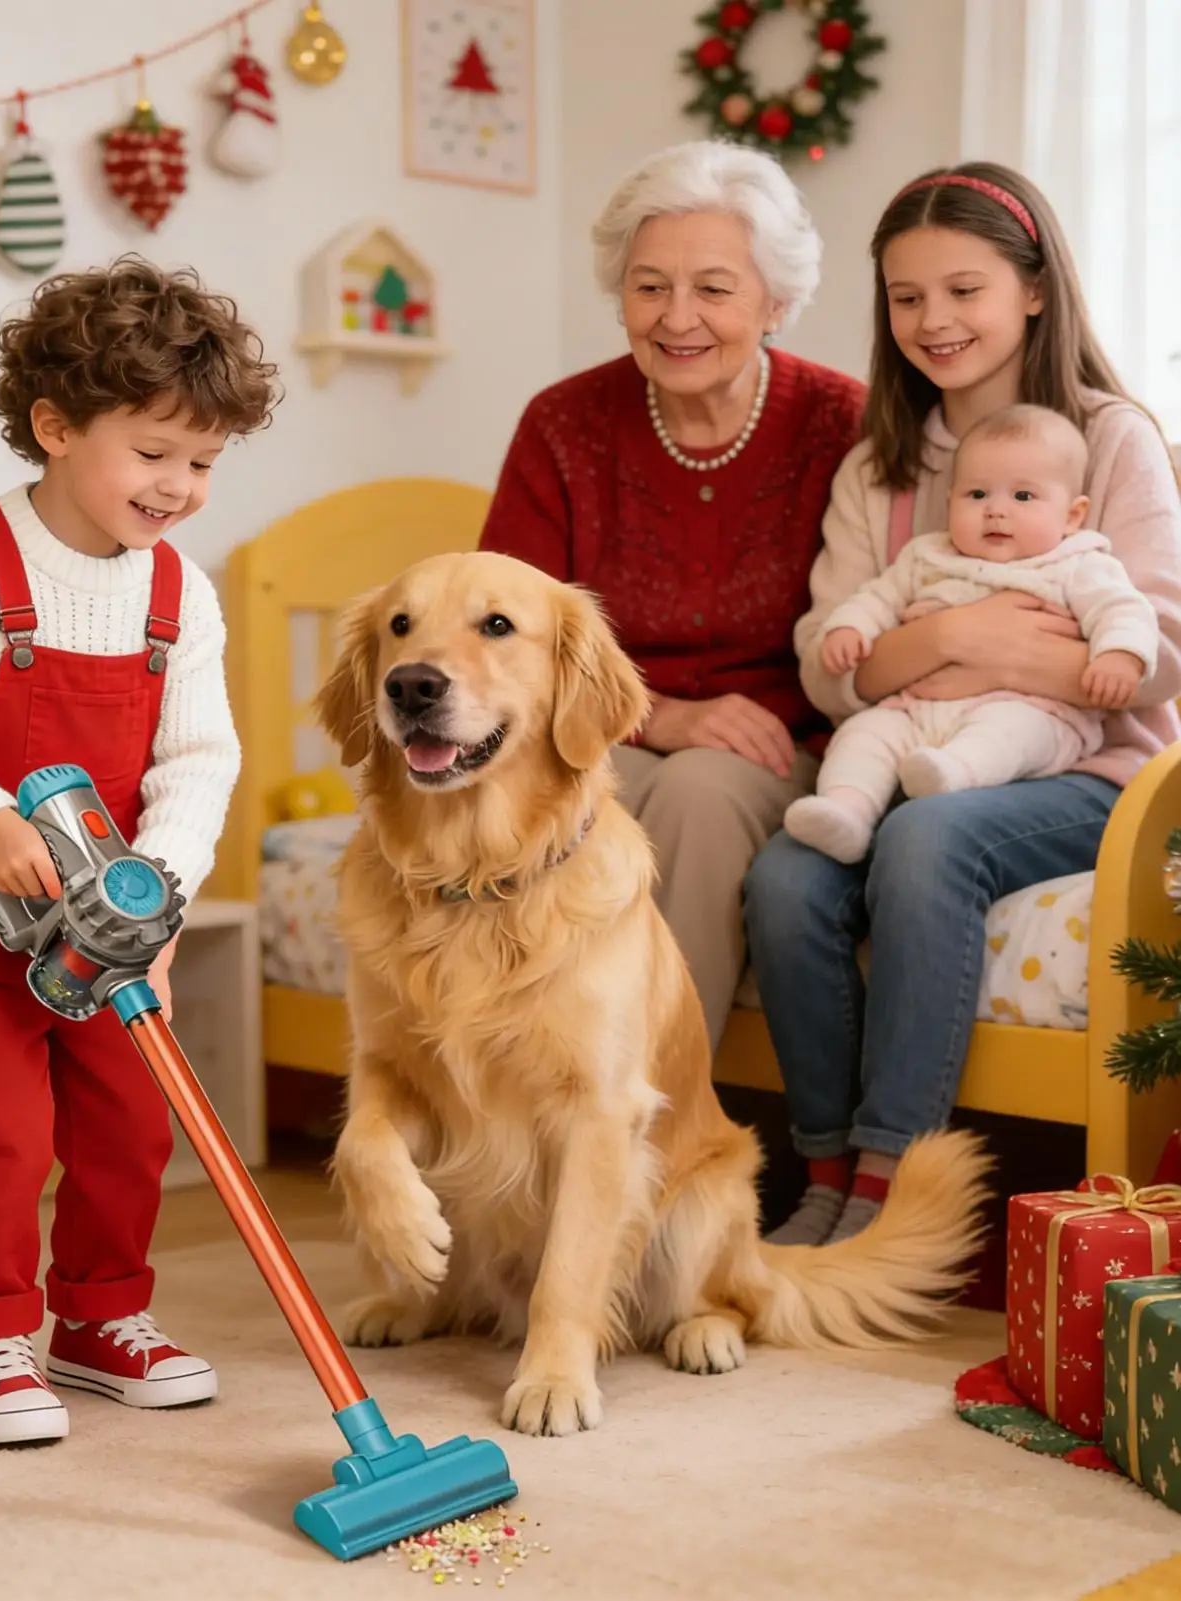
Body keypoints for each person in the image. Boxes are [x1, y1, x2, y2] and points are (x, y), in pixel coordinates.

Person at [0, 256, 278, 1446]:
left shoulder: (180, 591)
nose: (178, 486)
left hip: (117, 916)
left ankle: (97, 1319)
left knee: (130, 1123)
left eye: (201, 462)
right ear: (54, 424)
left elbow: (199, 756)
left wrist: (167, 889)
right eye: (152, 453)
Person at [744, 164, 1181, 1247]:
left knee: (929, 841)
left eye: (962, 289)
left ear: (1031, 290)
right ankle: (823, 1168)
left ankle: (896, 1181)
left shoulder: (1109, 436)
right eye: (904, 296)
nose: (931, 320)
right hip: (912, 757)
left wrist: (976, 659)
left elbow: (1159, 652)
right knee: (787, 876)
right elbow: (823, 663)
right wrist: (943, 640)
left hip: (1088, 774)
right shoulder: (878, 468)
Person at [478, 139, 865, 1052]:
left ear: (775, 301)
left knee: (692, 795)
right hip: (601, 732)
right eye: (649, 286)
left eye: (714, 288)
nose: (676, 317)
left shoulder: (843, 421)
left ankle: (651, 1120)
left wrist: (695, 735)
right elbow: (500, 643)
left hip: (785, 744)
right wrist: (665, 717)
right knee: (541, 805)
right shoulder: (563, 422)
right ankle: (508, 1117)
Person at [785, 403, 1159, 863]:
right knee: (866, 733)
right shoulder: (929, 556)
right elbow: (876, 597)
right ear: (951, 503)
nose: (996, 511)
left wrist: (1121, 656)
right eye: (977, 495)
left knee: (1009, 731)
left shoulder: (1077, 564)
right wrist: (849, 627)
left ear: (1072, 516)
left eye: (1023, 498)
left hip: (1032, 710)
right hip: (919, 712)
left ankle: (955, 773)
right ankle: (846, 810)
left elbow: (1123, 610)